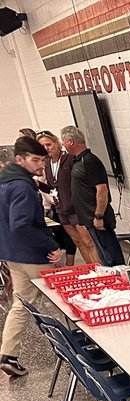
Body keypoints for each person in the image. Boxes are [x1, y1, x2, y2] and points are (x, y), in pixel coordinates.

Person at [0, 136, 64, 378]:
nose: (41, 165)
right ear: (20, 159)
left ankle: (8, 355)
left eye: (43, 160)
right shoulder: (22, 186)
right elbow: (21, 225)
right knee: (62, 300)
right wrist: (52, 244)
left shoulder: (4, 182)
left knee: (21, 304)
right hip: (34, 255)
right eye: (36, 160)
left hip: (12, 254)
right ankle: (78, 349)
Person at [61, 125, 125, 266]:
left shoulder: (90, 161)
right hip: (88, 218)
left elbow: (102, 190)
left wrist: (99, 216)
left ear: (71, 142)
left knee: (110, 255)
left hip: (97, 218)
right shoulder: (77, 161)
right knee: (103, 254)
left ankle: (122, 281)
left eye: (63, 141)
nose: (62, 144)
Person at [38, 130, 98, 265]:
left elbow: (75, 183)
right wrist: (39, 185)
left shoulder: (69, 159)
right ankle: (92, 268)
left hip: (75, 208)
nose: (47, 148)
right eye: (43, 146)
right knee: (77, 241)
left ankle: (100, 269)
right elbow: (54, 188)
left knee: (87, 241)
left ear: (57, 143)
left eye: (49, 144)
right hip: (61, 208)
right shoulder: (47, 163)